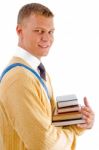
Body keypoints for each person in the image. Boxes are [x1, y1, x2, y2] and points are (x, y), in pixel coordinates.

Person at [0, 3, 94, 150]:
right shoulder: (19, 78)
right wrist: (72, 134)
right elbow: (44, 144)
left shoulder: (36, 71)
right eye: (39, 31)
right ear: (20, 31)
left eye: (50, 32)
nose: (47, 38)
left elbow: (47, 123)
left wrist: (79, 122)